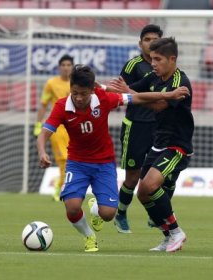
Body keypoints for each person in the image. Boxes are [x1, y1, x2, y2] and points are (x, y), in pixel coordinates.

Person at [37, 64, 189, 252]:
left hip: (104, 164)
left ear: (92, 90)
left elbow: (138, 97)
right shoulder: (62, 106)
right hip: (77, 163)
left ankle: (96, 208)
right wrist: (42, 151)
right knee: (72, 206)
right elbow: (44, 133)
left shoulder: (104, 99)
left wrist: (168, 95)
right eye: (74, 92)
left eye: (83, 93)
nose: (78, 98)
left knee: (108, 214)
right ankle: (89, 236)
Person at [111, 37, 194, 253]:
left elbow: (158, 105)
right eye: (152, 58)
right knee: (143, 194)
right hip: (159, 144)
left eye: (158, 59)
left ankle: (176, 232)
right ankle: (168, 237)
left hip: (177, 146)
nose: (153, 63)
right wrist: (122, 90)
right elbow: (130, 91)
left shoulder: (180, 83)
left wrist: (131, 93)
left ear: (172, 59)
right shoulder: (154, 77)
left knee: (148, 186)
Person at [114, 24, 164, 234]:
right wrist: (141, 98)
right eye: (147, 39)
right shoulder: (132, 65)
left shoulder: (164, 67)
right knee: (133, 177)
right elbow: (121, 95)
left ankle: (156, 214)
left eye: (155, 39)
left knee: (161, 176)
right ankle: (121, 213)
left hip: (160, 128)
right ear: (140, 43)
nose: (151, 42)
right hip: (135, 127)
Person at [33, 54, 74, 202]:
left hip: (74, 127)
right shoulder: (51, 83)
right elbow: (43, 104)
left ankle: (62, 187)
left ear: (72, 67)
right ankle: (60, 189)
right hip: (57, 128)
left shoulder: (76, 83)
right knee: (64, 159)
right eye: (63, 65)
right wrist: (38, 125)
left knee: (72, 159)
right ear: (59, 67)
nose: (66, 68)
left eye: (68, 65)